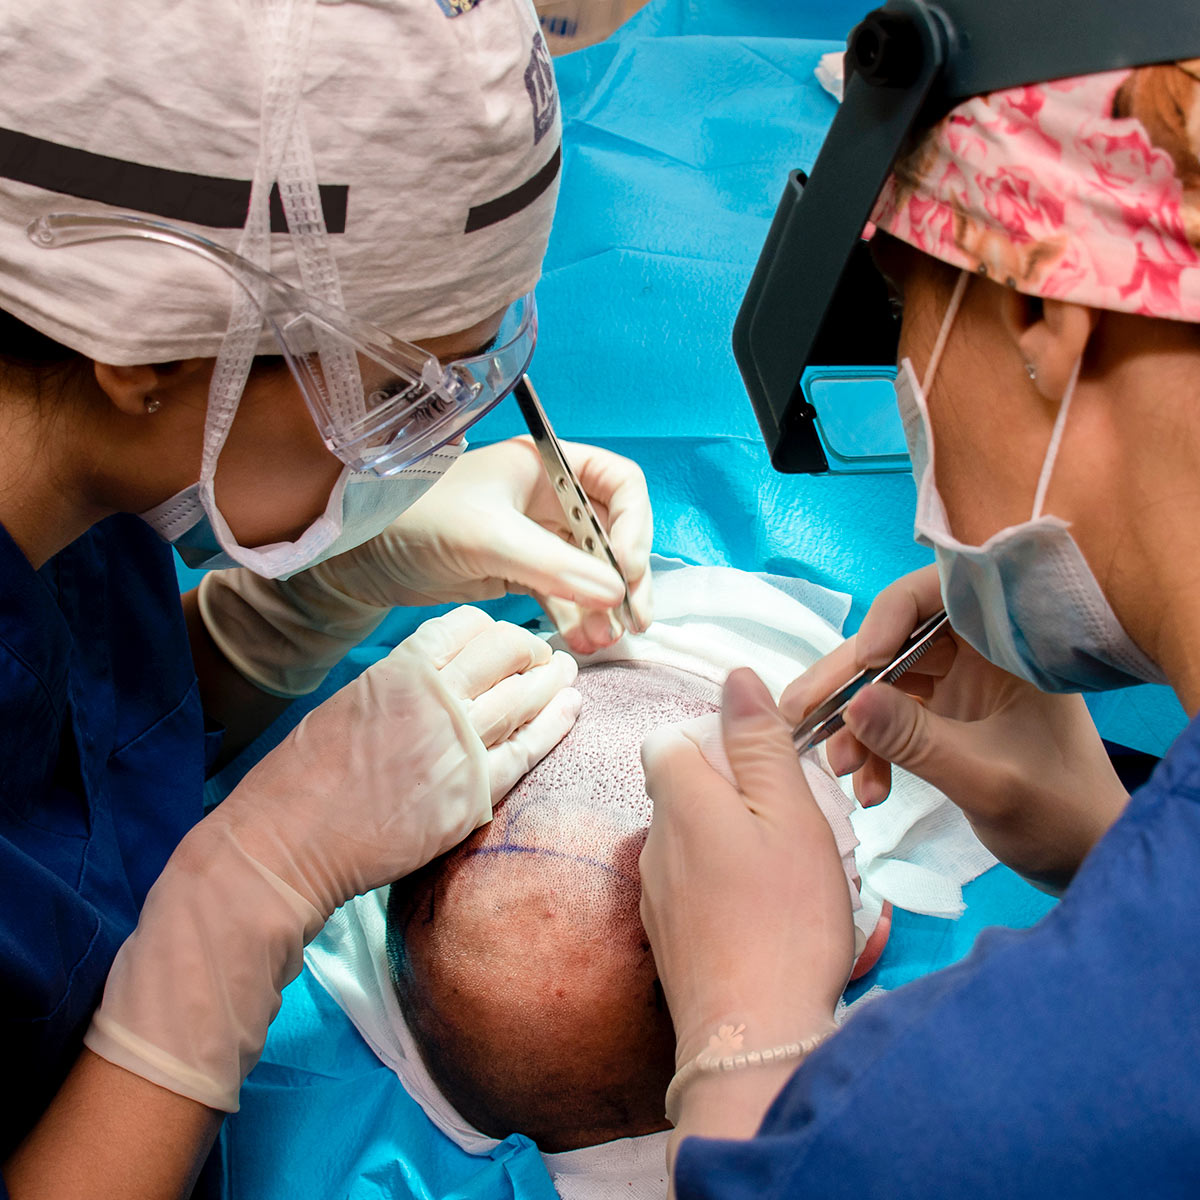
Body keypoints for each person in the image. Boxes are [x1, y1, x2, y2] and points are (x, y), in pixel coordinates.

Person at [0, 2, 654, 1196]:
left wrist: (305, 607)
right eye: (406, 392)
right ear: (143, 353)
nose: (426, 444)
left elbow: (63, 748)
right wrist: (246, 894)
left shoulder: (61, 480)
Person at [637, 8, 1200, 1195]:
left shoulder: (936, 1133)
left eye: (905, 328)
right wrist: (1118, 855)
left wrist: (748, 1046)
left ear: (1042, 307)